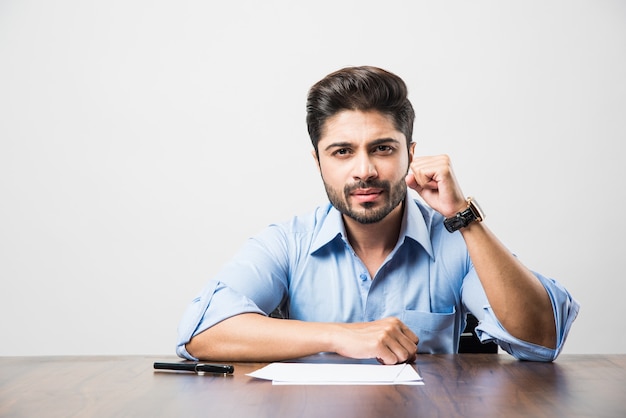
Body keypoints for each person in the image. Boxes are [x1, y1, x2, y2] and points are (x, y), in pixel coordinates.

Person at [176, 66, 579, 364]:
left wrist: (463, 216)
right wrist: (340, 337)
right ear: (318, 162)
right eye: (342, 151)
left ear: (411, 154)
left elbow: (541, 341)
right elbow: (202, 332)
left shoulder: (455, 240)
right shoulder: (287, 242)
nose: (364, 170)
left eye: (383, 148)